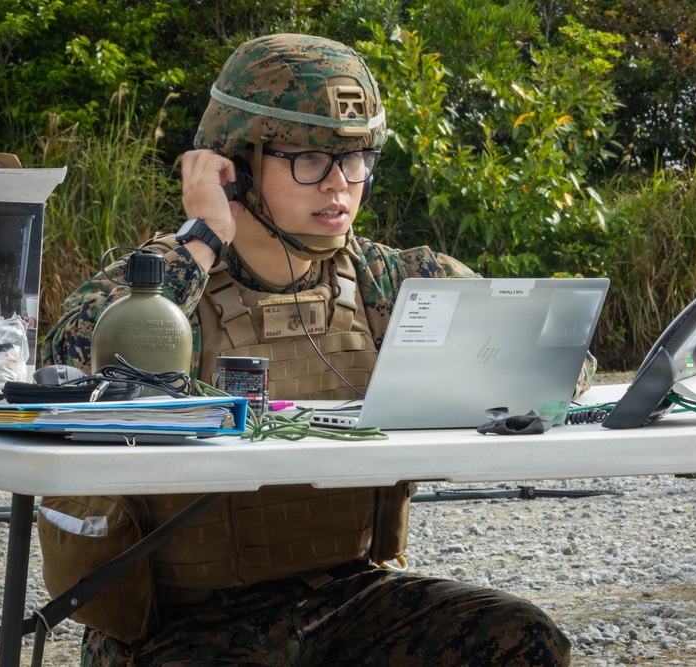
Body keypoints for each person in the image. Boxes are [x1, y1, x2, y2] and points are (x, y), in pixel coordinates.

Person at [41, 34, 594, 667]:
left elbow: (558, 359)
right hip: (188, 621)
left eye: (355, 159)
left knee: (520, 639)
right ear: (238, 164)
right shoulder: (166, 284)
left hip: (345, 595)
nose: (339, 184)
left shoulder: (394, 283)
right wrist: (201, 239)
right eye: (310, 159)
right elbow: (70, 360)